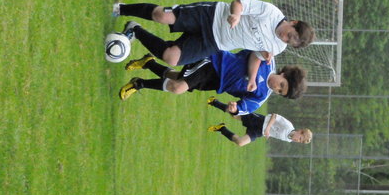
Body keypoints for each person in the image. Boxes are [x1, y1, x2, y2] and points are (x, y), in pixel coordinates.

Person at [112, 0, 315, 66]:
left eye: (289, 41)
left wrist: (261, 58)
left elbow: (255, 55)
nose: (284, 38)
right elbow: (239, 3)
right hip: (212, 16)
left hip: (215, 43)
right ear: (293, 22)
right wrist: (236, 15)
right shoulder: (271, 12)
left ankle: (134, 30)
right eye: (289, 34)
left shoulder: (277, 47)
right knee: (162, 16)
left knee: (171, 58)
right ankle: (120, 8)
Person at [119, 50, 307, 114]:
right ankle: (139, 83)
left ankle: (148, 62)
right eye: (282, 85)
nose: (276, 88)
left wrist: (235, 108)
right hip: (214, 63)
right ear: (284, 73)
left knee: (176, 78)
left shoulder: (261, 95)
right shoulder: (267, 60)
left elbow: (246, 107)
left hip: (215, 83)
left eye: (280, 92)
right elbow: (252, 51)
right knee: (178, 87)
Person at [207, 97, 313, 146]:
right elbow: (275, 116)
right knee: (234, 114)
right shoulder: (288, 126)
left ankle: (222, 129)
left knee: (240, 142)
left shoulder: (289, 139)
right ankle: (214, 102)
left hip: (258, 132)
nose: (297, 140)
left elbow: (275, 131)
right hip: (259, 121)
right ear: (300, 131)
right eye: (300, 138)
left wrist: (268, 133)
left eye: (300, 141)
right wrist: (268, 128)